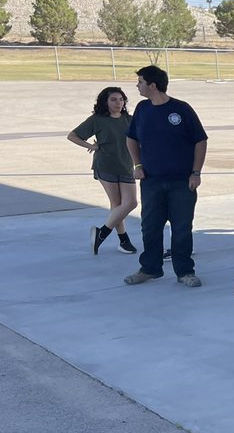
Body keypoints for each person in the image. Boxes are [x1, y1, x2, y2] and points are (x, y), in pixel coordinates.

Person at [123, 65, 207, 288]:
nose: (137, 86)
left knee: (181, 227)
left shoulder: (181, 109)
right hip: (151, 180)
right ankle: (150, 268)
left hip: (182, 181)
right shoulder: (142, 109)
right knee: (150, 226)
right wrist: (137, 164)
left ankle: (184, 271)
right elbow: (131, 138)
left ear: (152, 85)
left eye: (140, 82)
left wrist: (196, 172)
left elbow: (200, 140)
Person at [67, 86, 138, 255]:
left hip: (127, 165)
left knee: (130, 203)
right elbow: (73, 135)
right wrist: (91, 146)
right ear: (105, 102)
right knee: (117, 203)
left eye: (121, 99)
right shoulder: (97, 119)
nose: (118, 103)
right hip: (106, 164)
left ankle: (102, 233)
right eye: (113, 99)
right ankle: (124, 241)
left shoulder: (130, 119)